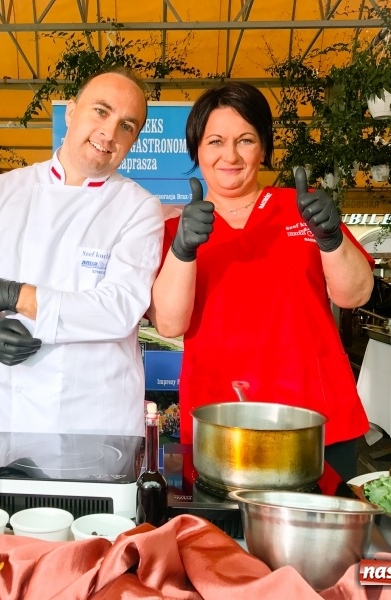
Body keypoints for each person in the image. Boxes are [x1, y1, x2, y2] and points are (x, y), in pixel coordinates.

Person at [148, 82, 375, 483]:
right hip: (220, 423)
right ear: (197, 151)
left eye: (246, 140)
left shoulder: (302, 208)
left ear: (264, 148)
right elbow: (169, 324)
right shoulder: (175, 229)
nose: (230, 155)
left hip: (317, 419)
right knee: (219, 543)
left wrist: (331, 237)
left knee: (321, 542)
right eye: (215, 141)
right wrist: (183, 250)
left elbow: (354, 294)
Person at [0, 67, 164, 437]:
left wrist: (15, 296)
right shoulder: (0, 193)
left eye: (126, 126)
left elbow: (118, 309)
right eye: (101, 111)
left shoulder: (139, 207)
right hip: (9, 411)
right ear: (71, 111)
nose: (109, 133)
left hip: (97, 417)